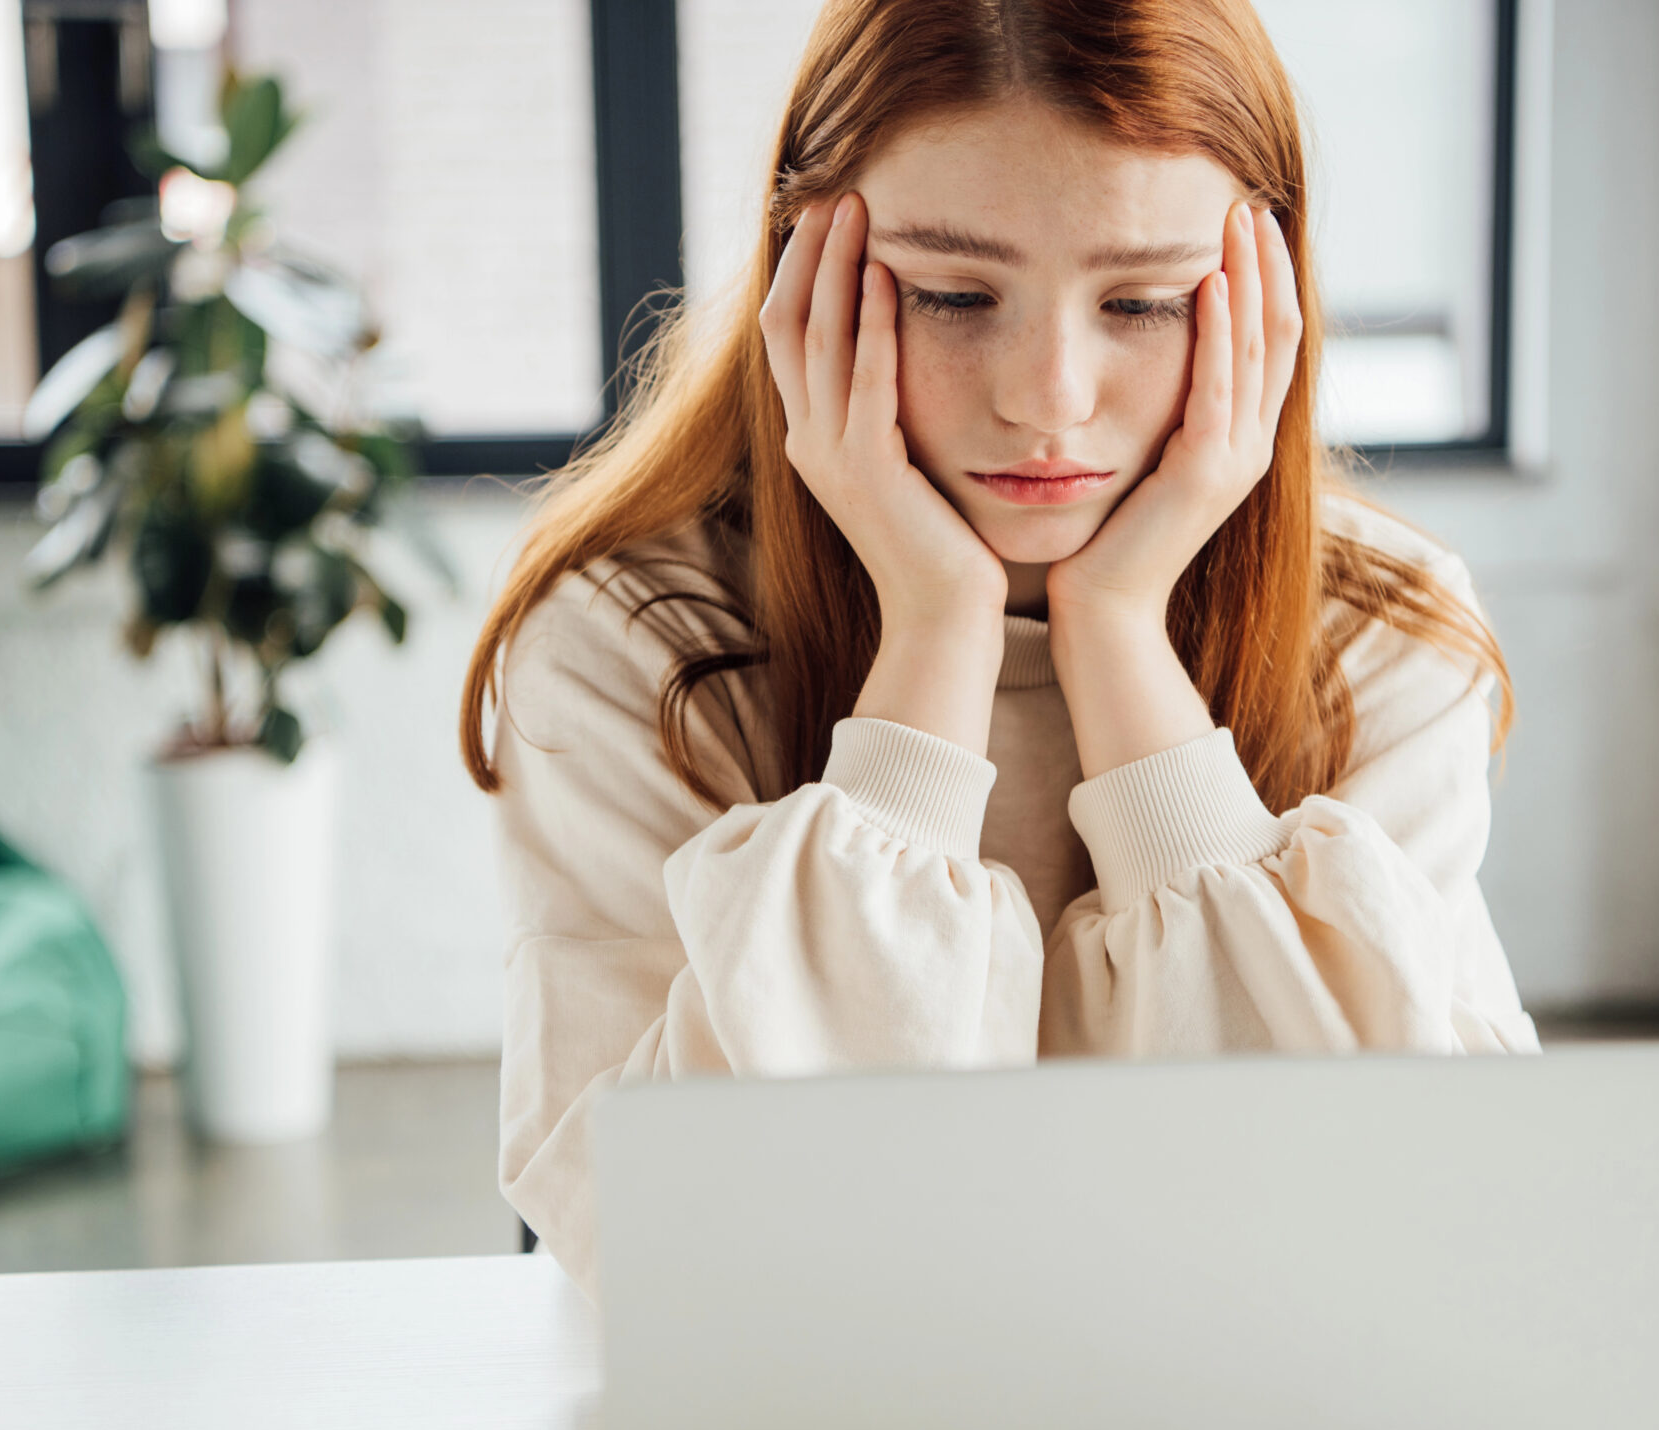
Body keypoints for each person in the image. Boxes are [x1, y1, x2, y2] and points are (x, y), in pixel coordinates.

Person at [459, 0, 1540, 1295]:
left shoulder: (1386, 641)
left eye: (1142, 301)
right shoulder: (626, 647)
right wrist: (933, 636)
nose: (1047, 396)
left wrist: (1122, 637)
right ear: (807, 273)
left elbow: (1379, 1225)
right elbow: (674, 1249)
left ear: (1267, 301)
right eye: (955, 293)